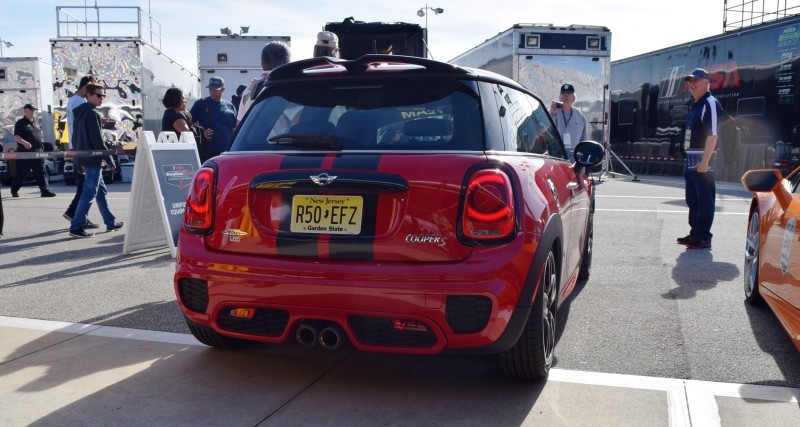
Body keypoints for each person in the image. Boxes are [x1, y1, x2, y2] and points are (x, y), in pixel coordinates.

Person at [68, 84, 123, 238]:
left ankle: (110, 222)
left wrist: (78, 161)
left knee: (100, 192)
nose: (101, 98)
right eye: (98, 95)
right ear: (89, 95)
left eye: (102, 96)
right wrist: (110, 160)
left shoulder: (79, 113)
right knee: (90, 192)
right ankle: (76, 227)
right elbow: (98, 141)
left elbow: (76, 139)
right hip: (93, 159)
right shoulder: (92, 114)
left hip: (85, 157)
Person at [677, 68, 721, 250]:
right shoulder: (696, 105)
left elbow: (713, 136)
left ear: (706, 82)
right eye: (690, 81)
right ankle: (695, 232)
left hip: (704, 159)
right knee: (693, 199)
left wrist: (705, 162)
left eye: (696, 80)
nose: (692, 84)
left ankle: (703, 236)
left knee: (705, 199)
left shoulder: (710, 103)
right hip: (692, 158)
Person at [63, 75, 99, 229]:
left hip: (78, 146)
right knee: (85, 186)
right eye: (93, 90)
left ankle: (78, 215)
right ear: (86, 86)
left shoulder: (76, 100)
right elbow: (81, 124)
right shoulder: (78, 101)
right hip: (81, 147)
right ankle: (75, 214)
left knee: (87, 186)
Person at [237, 41, 291, 122]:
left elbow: (240, 125)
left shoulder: (249, 90)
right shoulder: (294, 85)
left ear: (262, 61)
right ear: (287, 61)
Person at [10, 104, 56, 198]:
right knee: (22, 173)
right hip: (25, 153)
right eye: (31, 110)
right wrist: (24, 142)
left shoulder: (35, 123)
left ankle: (45, 191)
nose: (33, 112)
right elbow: (17, 137)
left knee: (41, 171)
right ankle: (14, 190)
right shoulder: (20, 123)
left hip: (38, 152)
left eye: (34, 110)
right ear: (25, 111)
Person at [190, 77, 237, 159]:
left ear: (222, 90)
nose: (212, 92)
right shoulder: (200, 104)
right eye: (210, 89)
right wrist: (200, 132)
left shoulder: (230, 106)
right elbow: (189, 123)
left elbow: (234, 128)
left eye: (215, 90)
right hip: (209, 151)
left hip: (228, 151)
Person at [163, 87, 213, 161]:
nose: (185, 101)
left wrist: (189, 119)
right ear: (177, 100)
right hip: (179, 156)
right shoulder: (174, 115)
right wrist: (202, 134)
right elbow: (188, 135)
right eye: (183, 98)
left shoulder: (172, 113)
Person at [549, 84, 588, 162]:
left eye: (568, 94)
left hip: (575, 156)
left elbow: (584, 140)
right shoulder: (552, 112)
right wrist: (552, 114)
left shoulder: (580, 116)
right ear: (559, 98)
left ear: (573, 98)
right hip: (556, 155)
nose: (565, 96)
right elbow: (546, 130)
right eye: (563, 94)